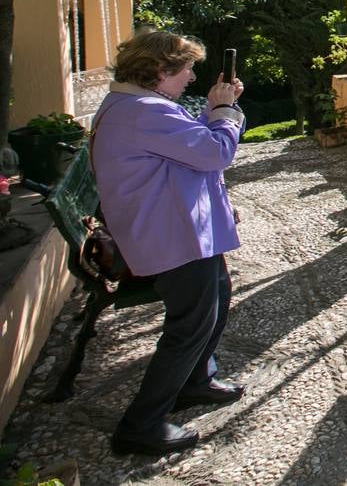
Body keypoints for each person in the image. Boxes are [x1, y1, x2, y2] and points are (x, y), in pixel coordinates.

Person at [91, 30, 246, 457]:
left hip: (180, 229)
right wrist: (225, 111)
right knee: (189, 326)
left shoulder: (138, 107)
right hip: (173, 236)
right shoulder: (143, 112)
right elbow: (215, 152)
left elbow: (195, 143)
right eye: (187, 68)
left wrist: (223, 110)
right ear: (160, 70)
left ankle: (195, 381)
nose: (192, 77)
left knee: (216, 295)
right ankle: (141, 425)